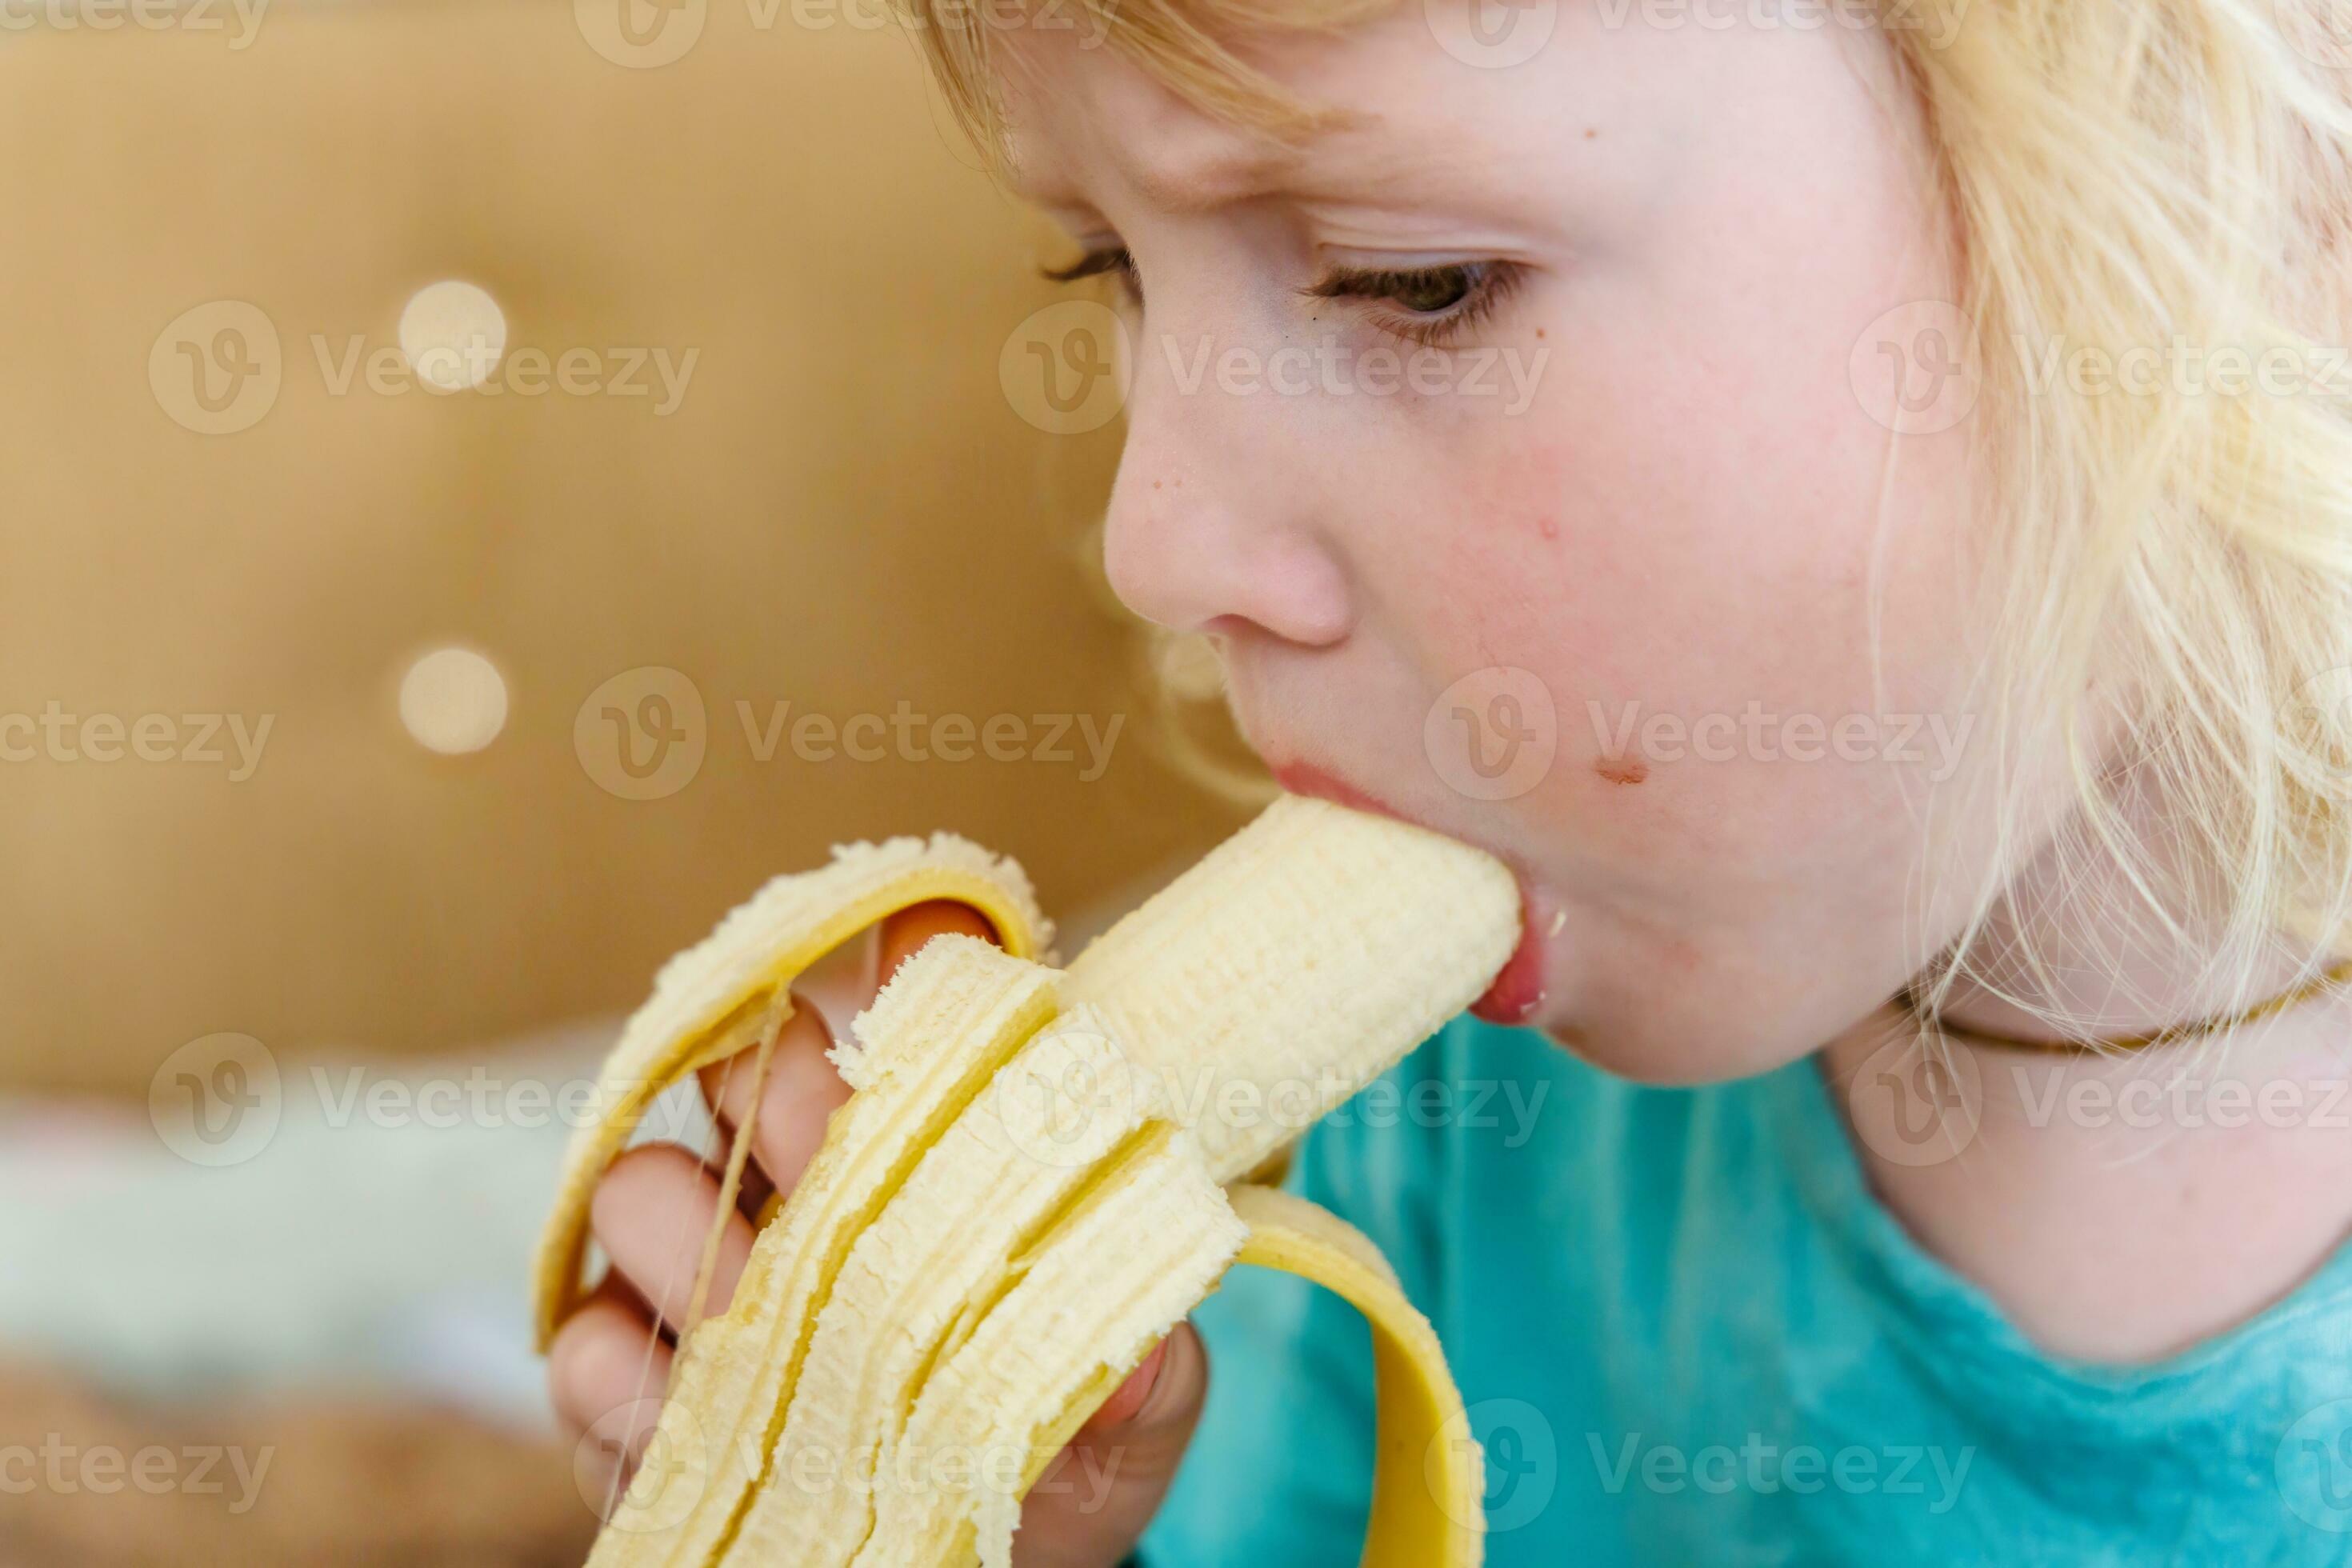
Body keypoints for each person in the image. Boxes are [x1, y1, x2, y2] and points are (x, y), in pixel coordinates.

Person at [550, 2, 2352, 1560]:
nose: (1153, 542)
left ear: (2241, 175)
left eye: (1416, 279)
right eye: (1110, 265)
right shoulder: (1448, 1121)